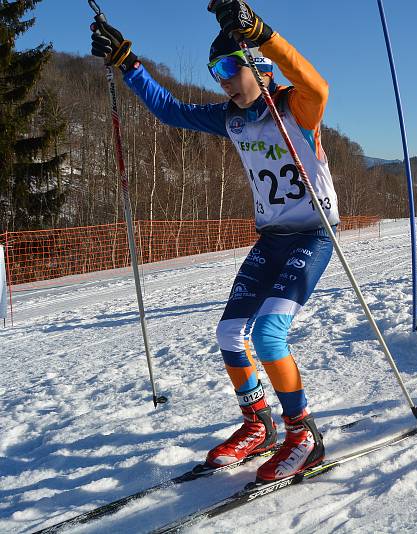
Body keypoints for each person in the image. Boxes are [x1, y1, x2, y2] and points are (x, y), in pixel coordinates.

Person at [90, 0, 339, 482]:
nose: (220, 77)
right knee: (229, 334)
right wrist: (128, 64)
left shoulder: (296, 107)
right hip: (271, 239)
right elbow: (170, 110)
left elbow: (318, 84)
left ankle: (303, 434)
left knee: (268, 336)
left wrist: (262, 31)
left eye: (228, 66)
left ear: (259, 68)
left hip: (312, 234)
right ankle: (258, 424)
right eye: (214, 68)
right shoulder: (231, 118)